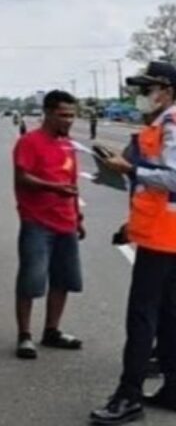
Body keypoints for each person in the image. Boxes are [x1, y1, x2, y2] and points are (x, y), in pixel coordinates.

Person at [90, 60, 176, 424]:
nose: (143, 96)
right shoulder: (160, 124)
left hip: (163, 237)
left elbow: (173, 179)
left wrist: (131, 169)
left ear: (167, 90)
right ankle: (173, 389)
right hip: (163, 234)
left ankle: (129, 397)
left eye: (147, 89)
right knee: (170, 316)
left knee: (142, 316)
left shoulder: (172, 123)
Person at [13, 90, 84, 360]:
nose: (68, 121)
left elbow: (73, 184)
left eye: (72, 115)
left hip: (65, 222)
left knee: (64, 279)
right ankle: (24, 335)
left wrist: (78, 216)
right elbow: (22, 178)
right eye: (63, 115)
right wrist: (54, 188)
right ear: (48, 113)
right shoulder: (30, 142)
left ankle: (52, 330)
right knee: (31, 280)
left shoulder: (68, 145)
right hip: (37, 222)